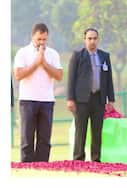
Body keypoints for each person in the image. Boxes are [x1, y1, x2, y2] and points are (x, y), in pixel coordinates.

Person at [13, 22, 64, 162]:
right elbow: (18, 75)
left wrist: (44, 63)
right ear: (32, 36)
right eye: (39, 39)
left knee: (44, 139)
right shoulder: (22, 52)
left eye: (44, 39)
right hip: (27, 100)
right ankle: (26, 168)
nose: (41, 42)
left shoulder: (53, 54)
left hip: (47, 101)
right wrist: (36, 63)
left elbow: (59, 76)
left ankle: (42, 168)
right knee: (27, 139)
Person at [67, 28, 116, 162]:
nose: (92, 41)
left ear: (98, 40)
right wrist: (70, 99)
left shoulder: (104, 56)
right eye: (89, 38)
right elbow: (71, 79)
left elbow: (109, 79)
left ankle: (96, 159)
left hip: (99, 99)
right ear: (85, 40)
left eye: (95, 38)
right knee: (80, 130)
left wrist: (110, 99)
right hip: (81, 99)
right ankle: (78, 159)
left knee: (97, 131)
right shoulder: (77, 56)